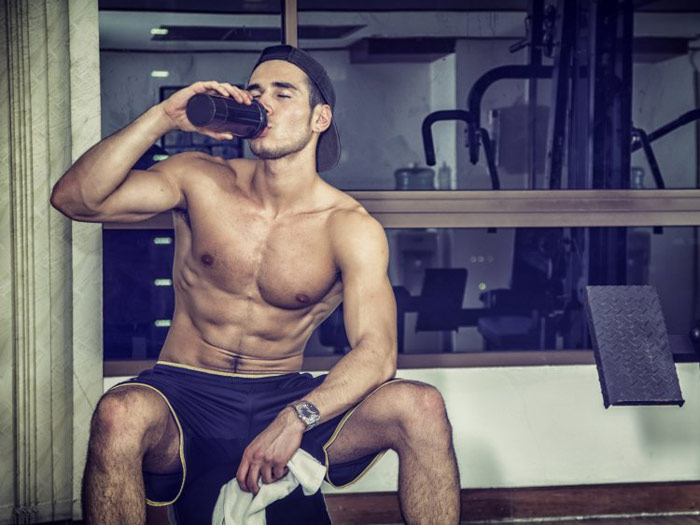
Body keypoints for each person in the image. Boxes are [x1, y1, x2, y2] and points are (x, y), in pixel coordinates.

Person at [51, 45, 460, 524]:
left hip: (282, 392)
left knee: (421, 405)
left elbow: (377, 354)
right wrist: (164, 117)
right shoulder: (200, 178)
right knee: (118, 413)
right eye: (254, 93)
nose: (263, 104)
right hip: (185, 392)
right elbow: (76, 199)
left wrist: (297, 417)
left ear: (319, 118)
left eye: (283, 94)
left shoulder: (348, 226)